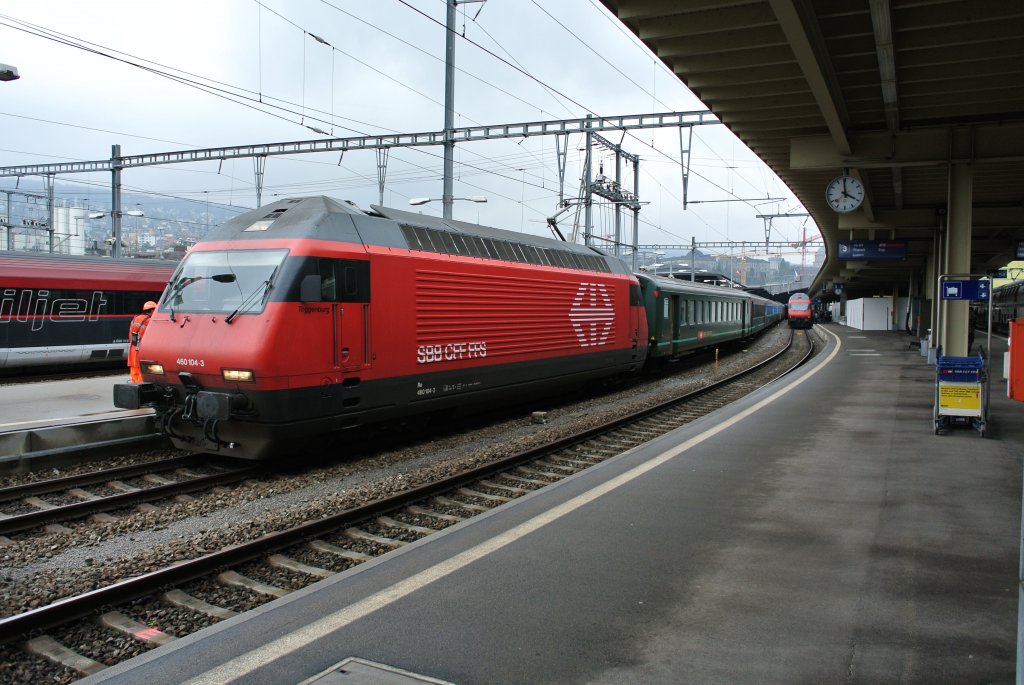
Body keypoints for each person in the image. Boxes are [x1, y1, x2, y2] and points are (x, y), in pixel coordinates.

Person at [128, 300, 157, 383]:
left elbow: (130, 336)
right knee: (142, 371)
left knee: (134, 370)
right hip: (142, 350)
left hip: (133, 349)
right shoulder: (149, 321)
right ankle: (140, 388)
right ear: (151, 311)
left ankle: (134, 386)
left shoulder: (134, 319)